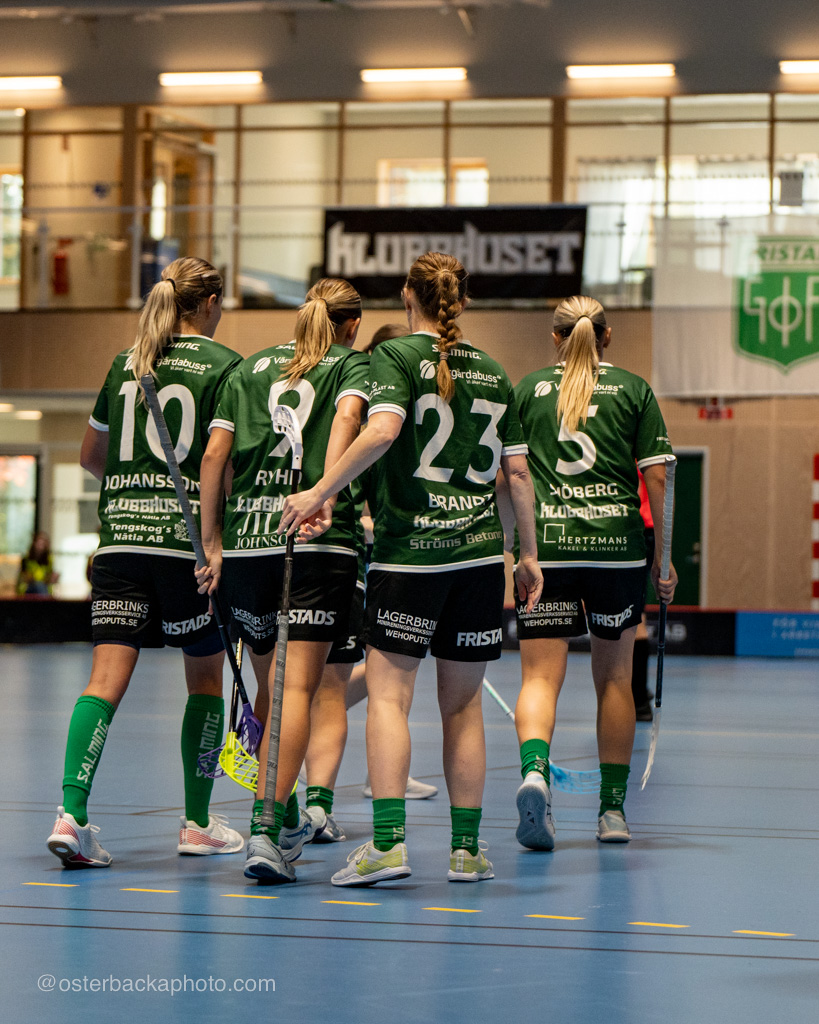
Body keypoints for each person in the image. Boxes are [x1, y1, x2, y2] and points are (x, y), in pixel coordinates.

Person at [280, 251, 543, 886]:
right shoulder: (494, 370)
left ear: (407, 297)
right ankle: (466, 851)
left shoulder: (393, 357)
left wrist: (319, 492)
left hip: (410, 559)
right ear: (463, 301)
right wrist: (526, 555)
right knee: (464, 707)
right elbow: (517, 475)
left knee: (390, 698)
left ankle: (389, 845)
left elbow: (382, 431)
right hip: (478, 560)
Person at [47, 257, 244, 869]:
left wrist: (134, 487)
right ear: (209, 303)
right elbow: (222, 463)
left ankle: (70, 816)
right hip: (187, 548)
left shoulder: (126, 363)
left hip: (120, 544)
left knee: (104, 679)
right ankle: (198, 823)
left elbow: (91, 456)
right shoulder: (226, 366)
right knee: (205, 679)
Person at [196, 277, 369, 884]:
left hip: (246, 546)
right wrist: (322, 492)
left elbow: (214, 458)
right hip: (314, 543)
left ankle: (286, 814)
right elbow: (349, 417)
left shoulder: (247, 369)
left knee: (271, 686)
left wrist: (211, 543)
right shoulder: (351, 365)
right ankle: (266, 830)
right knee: (297, 691)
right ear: (351, 325)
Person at [501, 294, 677, 849]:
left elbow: (510, 476)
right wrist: (664, 558)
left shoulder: (528, 390)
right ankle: (612, 812)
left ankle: (535, 772)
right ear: (607, 336)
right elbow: (659, 480)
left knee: (538, 679)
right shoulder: (633, 389)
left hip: (548, 550)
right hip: (615, 551)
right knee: (615, 680)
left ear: (555, 338)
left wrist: (514, 549)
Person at [302, 321, 438, 839]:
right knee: (344, 682)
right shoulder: (366, 410)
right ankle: (337, 782)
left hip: (367, 553)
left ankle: (378, 774)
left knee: (377, 675)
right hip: (351, 555)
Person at [17, 531, 59, 596]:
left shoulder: (48, 560)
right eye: (39, 544)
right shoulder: (26, 559)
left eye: (43, 544)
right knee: (38, 586)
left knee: (40, 587)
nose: (40, 547)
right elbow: (24, 578)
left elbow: (49, 577)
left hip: (43, 589)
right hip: (28, 589)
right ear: (34, 544)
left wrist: (52, 578)